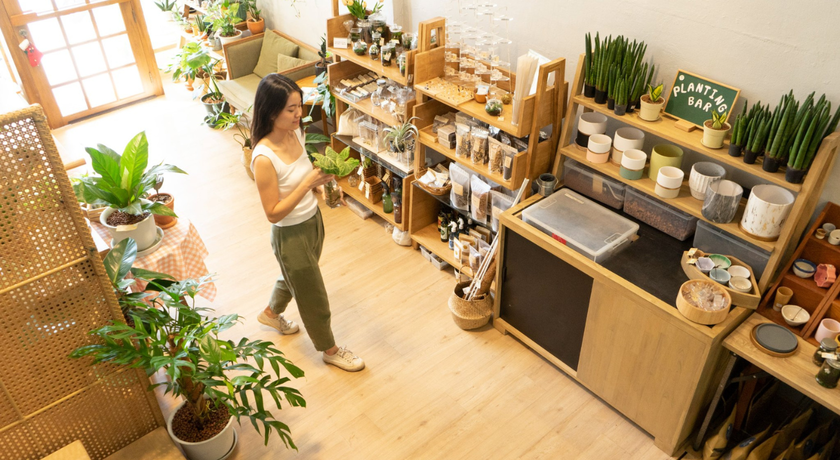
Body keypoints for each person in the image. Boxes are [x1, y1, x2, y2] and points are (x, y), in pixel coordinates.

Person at [250, 74, 364, 372]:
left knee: (299, 277)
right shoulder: (263, 158)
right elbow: (273, 213)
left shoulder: (295, 134)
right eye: (291, 109)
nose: (299, 114)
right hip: (289, 235)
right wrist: (306, 184)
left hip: (313, 221)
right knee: (313, 294)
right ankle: (330, 349)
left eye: (299, 106)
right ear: (271, 111)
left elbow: (303, 179)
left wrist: (322, 186)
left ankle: (271, 313)